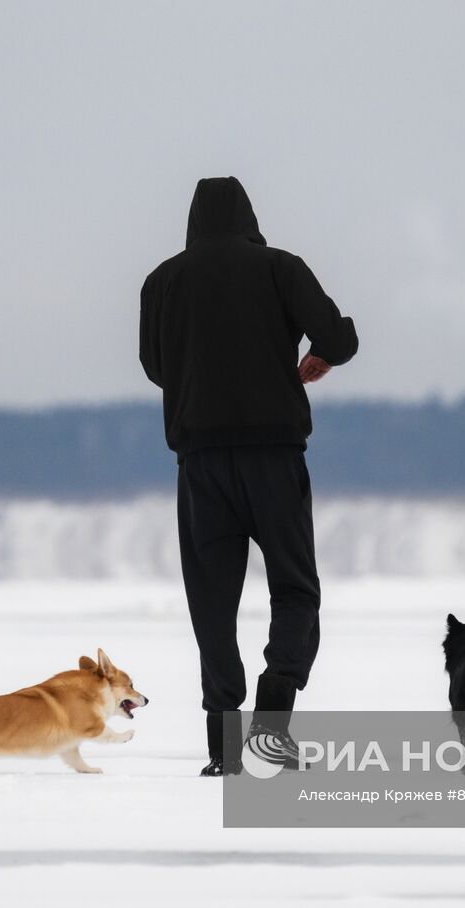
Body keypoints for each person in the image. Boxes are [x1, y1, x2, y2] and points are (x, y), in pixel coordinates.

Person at [139, 177, 359, 776]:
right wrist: (318, 357)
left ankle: (222, 749)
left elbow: (156, 366)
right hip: (273, 457)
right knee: (294, 588)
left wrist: (202, 375)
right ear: (249, 216)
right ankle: (274, 715)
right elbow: (338, 336)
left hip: (201, 466)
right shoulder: (280, 268)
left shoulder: (161, 283)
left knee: (211, 603)